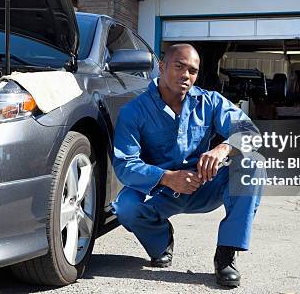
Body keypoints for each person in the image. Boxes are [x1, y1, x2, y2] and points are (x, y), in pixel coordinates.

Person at [111, 43, 262, 288]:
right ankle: (161, 239)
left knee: (252, 162)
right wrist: (167, 177)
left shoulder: (209, 102)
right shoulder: (134, 111)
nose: (186, 75)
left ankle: (226, 252)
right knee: (126, 207)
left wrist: (223, 148)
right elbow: (124, 165)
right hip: (159, 190)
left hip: (205, 185)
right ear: (162, 67)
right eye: (179, 67)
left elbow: (250, 133)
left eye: (192, 71)